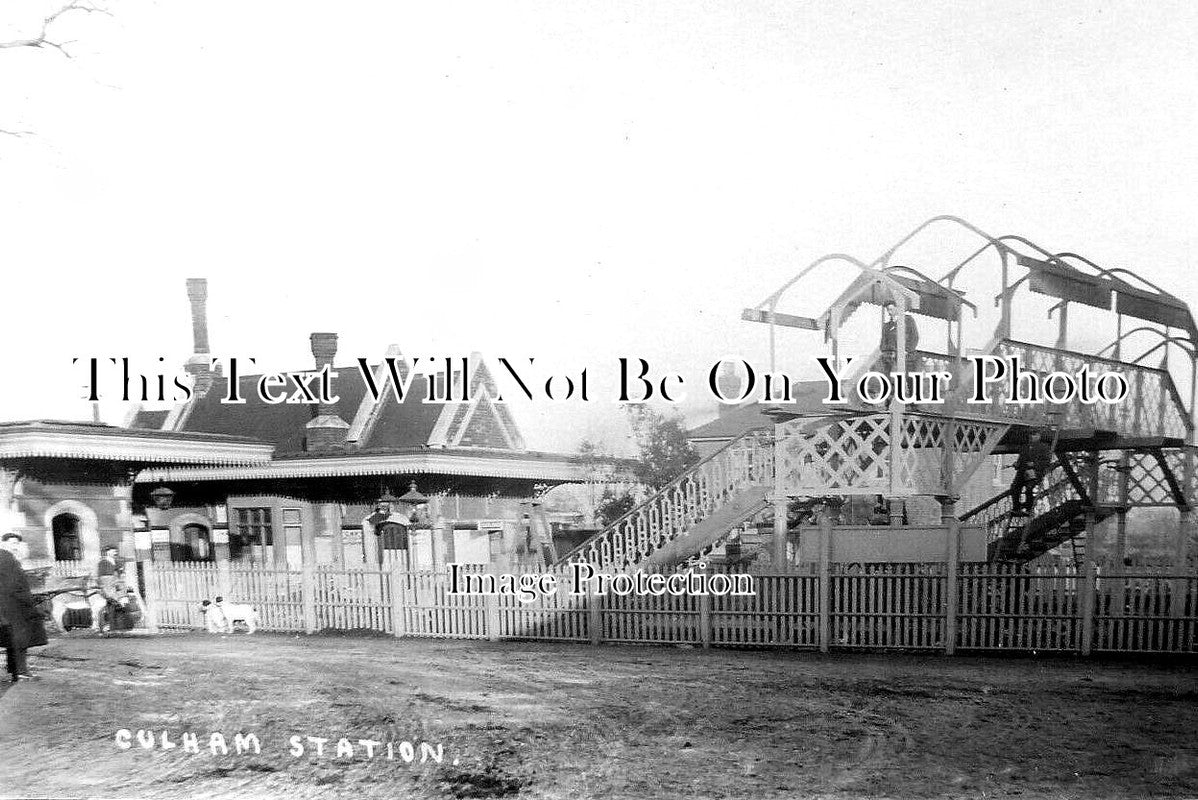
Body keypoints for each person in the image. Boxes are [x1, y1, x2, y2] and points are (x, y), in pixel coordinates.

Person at [0, 546, 47, 682]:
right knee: (20, 640)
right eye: (12, 543)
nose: (16, 546)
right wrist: (31, 602)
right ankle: (21, 672)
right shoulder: (7, 559)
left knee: (11, 639)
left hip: (6, 607)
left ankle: (15, 671)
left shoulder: (5, 558)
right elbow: (15, 586)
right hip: (15, 607)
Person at [1009, 429, 1053, 514]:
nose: (1032, 437)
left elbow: (1046, 462)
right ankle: (1016, 508)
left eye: (1034, 435)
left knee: (1029, 488)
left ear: (1039, 436)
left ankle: (1029, 509)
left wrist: (1034, 464)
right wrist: (1017, 464)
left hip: (1035, 472)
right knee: (1014, 487)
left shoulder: (1044, 447)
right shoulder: (1025, 447)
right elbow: (1021, 460)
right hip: (1023, 472)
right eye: (1031, 435)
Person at [879, 300, 920, 377]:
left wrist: (906, 350)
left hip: (906, 357)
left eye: (891, 309)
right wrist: (886, 353)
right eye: (888, 310)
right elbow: (883, 342)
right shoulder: (887, 326)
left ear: (897, 308)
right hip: (890, 359)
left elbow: (915, 337)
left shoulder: (908, 320)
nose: (889, 312)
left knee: (906, 379)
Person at [95, 545, 125, 632]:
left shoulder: (116, 561)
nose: (115, 552)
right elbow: (102, 577)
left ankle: (116, 626)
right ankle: (106, 627)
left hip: (116, 585)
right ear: (108, 552)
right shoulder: (102, 562)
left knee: (119, 604)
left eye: (115, 551)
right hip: (107, 587)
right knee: (108, 606)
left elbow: (120, 573)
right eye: (113, 551)